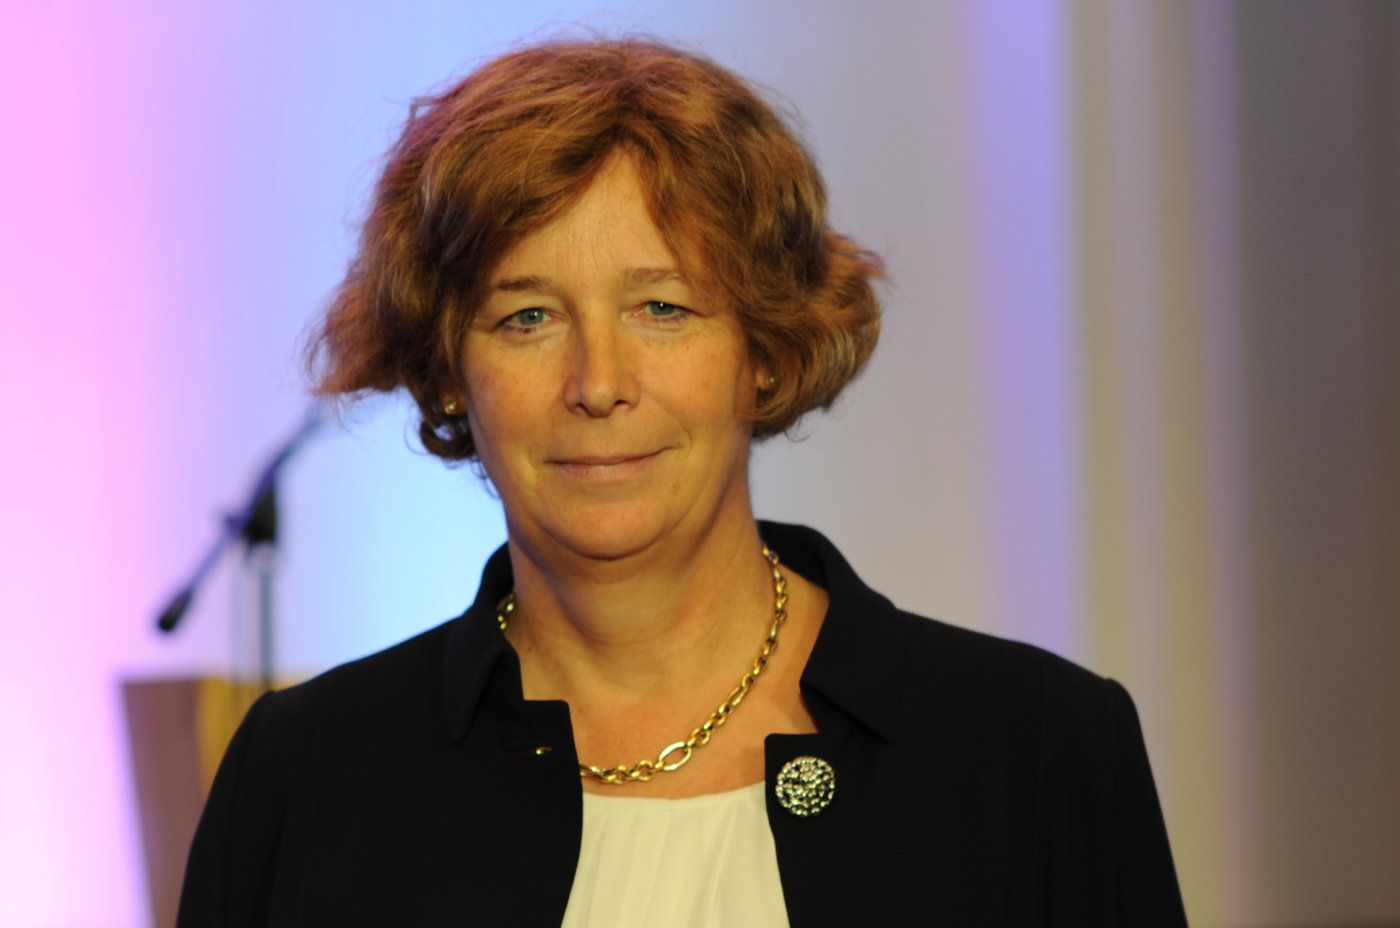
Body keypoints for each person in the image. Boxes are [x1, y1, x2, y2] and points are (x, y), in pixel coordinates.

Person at [176, 38, 1187, 926]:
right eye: (527, 317)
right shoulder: (305, 774)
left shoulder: (1036, 751)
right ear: (448, 372)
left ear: (764, 350)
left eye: (661, 307)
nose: (598, 383)